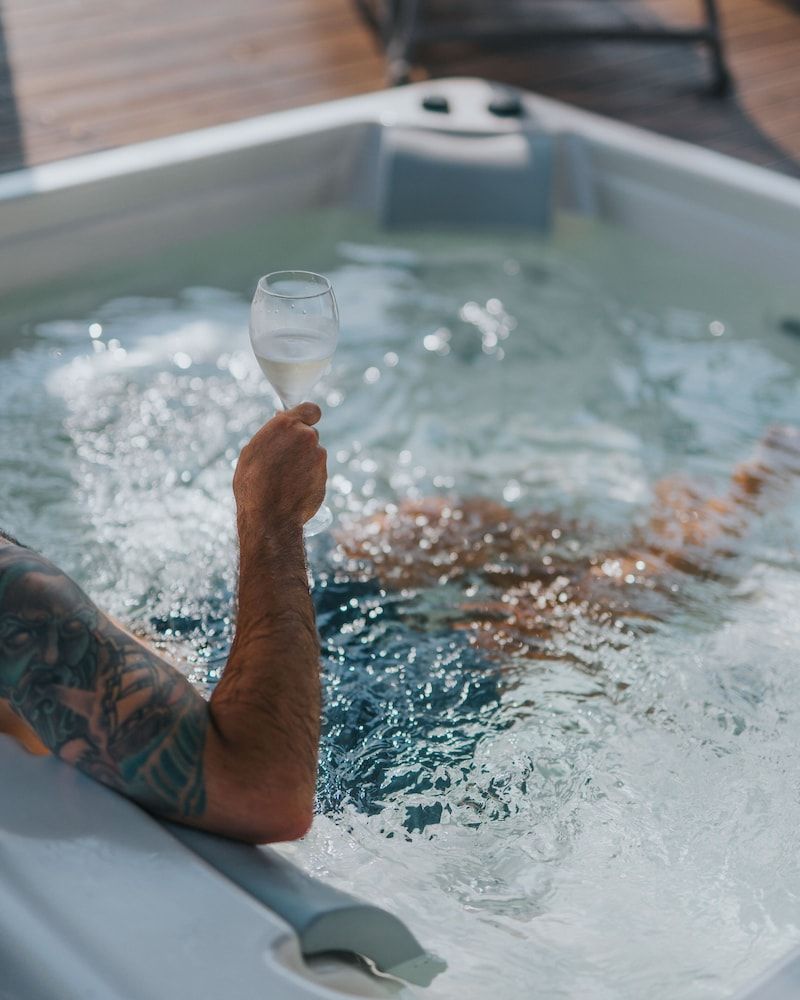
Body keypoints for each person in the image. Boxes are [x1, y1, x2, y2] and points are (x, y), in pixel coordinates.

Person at [0, 403, 327, 845]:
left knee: (417, 530)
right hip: (296, 732)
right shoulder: (12, 592)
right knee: (428, 539)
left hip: (183, 661)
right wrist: (271, 519)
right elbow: (266, 793)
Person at [337, 425, 800, 660]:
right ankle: (721, 524)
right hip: (428, 675)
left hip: (327, 599)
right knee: (604, 591)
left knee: (446, 524)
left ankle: (667, 540)